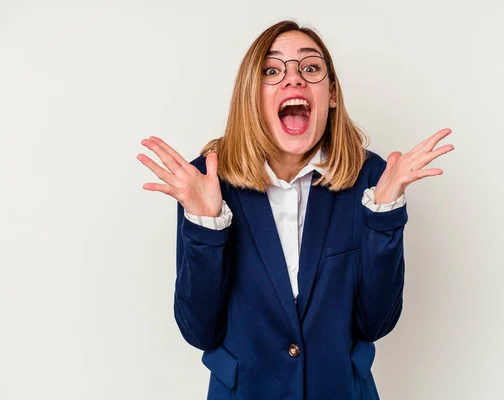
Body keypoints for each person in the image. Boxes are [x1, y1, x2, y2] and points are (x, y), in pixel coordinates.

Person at [137, 20, 453, 400]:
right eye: (272, 70)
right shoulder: (207, 181)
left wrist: (383, 216)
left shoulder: (371, 177)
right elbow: (200, 331)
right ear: (252, 96)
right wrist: (207, 229)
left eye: (310, 68)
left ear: (332, 94)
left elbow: (375, 323)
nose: (294, 79)